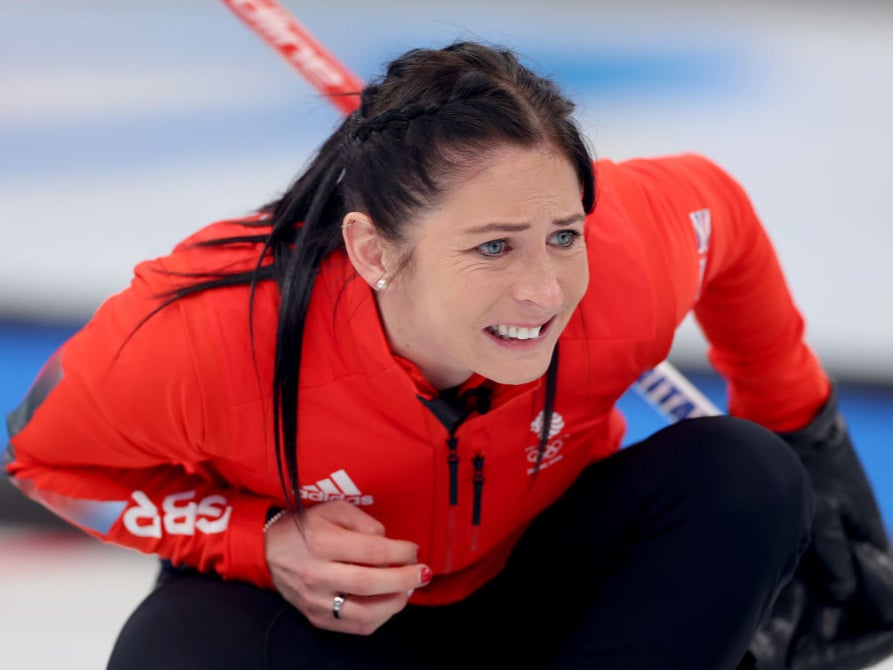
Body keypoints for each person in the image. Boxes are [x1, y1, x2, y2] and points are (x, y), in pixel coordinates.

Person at [4, 40, 893, 670]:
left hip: (542, 584)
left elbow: (721, 217)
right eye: (494, 248)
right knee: (177, 658)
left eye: (561, 235)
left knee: (748, 474)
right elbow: (40, 460)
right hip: (331, 624)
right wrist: (259, 543)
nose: (545, 291)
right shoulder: (202, 331)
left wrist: (808, 436)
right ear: (373, 251)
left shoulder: (624, 253)